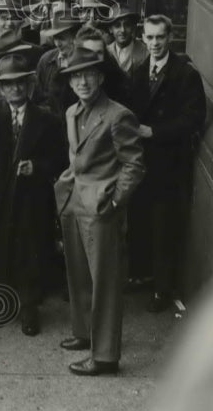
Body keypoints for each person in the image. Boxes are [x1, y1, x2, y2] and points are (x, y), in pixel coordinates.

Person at [0, 52, 66, 335]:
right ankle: (3, 306)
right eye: (8, 84)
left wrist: (38, 167)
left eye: (20, 83)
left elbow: (60, 159)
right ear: (1, 88)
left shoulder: (46, 118)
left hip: (31, 198)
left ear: (29, 85)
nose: (15, 89)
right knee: (0, 252)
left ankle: (29, 308)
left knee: (29, 251)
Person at [54, 48, 145, 376]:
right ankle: (83, 332)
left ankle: (105, 355)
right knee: (78, 273)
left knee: (104, 281)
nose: (82, 81)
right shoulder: (71, 112)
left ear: (101, 77)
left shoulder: (118, 115)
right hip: (74, 201)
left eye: (89, 74)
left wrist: (117, 202)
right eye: (75, 76)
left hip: (102, 208)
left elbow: (134, 164)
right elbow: (75, 156)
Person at [128, 14, 207, 312]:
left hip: (169, 162)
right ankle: (143, 275)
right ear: (143, 39)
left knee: (164, 225)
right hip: (142, 161)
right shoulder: (139, 71)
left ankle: (163, 289)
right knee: (142, 219)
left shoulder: (185, 75)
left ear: (169, 37)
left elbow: (194, 118)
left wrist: (155, 131)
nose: (155, 43)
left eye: (160, 37)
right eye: (149, 38)